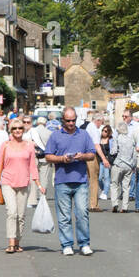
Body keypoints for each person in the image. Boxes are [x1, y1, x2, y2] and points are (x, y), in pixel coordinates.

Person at [0, 117, 42, 253]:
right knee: (12, 212)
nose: (17, 131)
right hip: (7, 182)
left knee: (21, 215)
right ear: (10, 131)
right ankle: (11, 243)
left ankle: (17, 242)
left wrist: (39, 185)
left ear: (23, 130)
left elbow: (32, 166)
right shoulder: (5, 145)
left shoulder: (29, 145)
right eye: (14, 128)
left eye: (20, 128)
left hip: (23, 183)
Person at [46, 107, 96, 256]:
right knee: (64, 216)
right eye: (68, 120)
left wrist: (82, 156)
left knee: (82, 213)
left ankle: (84, 243)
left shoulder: (84, 135)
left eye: (73, 120)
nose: (71, 123)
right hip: (62, 180)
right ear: (63, 120)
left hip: (80, 180)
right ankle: (66, 244)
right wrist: (62, 159)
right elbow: (48, 156)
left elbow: (92, 154)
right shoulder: (55, 136)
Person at [109, 121, 138, 213]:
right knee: (126, 187)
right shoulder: (131, 140)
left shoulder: (117, 138)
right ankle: (125, 207)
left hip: (118, 163)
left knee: (114, 184)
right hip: (128, 165)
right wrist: (133, 165)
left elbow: (113, 151)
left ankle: (115, 203)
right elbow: (134, 154)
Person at [97, 124, 114, 200]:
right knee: (99, 178)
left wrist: (110, 161)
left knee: (107, 177)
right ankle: (104, 190)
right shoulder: (99, 139)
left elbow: (113, 151)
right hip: (100, 161)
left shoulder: (111, 140)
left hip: (108, 161)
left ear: (109, 132)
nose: (103, 132)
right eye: (102, 130)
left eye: (105, 131)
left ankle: (105, 193)